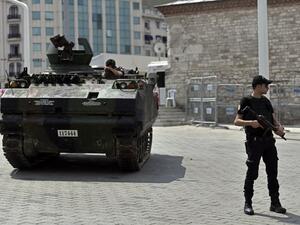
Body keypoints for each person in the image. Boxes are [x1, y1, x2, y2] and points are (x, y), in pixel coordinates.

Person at [234, 75, 286, 216]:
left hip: (269, 141)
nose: (267, 88)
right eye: (265, 85)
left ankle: (275, 203)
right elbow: (236, 121)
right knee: (252, 173)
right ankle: (248, 203)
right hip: (254, 142)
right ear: (258, 86)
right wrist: (251, 123)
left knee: (272, 172)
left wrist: (279, 128)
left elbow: (274, 119)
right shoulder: (246, 101)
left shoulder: (266, 101)